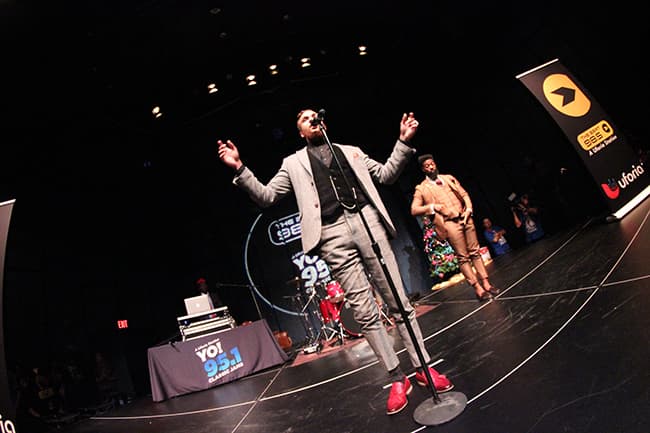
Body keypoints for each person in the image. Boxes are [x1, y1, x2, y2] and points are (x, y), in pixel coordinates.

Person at [218, 109, 453, 415]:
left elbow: (386, 175)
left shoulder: (351, 151)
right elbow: (266, 195)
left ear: (324, 124)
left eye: (315, 116)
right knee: (365, 312)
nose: (312, 120)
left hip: (368, 221)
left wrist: (403, 142)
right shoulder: (293, 163)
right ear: (301, 132)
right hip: (330, 235)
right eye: (305, 119)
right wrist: (240, 167)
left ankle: (423, 366)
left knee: (398, 301)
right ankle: (397, 378)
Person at [410, 155, 500, 301]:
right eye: (427, 166)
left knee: (475, 252)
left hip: (465, 217)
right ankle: (478, 288)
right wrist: (433, 207)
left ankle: (487, 284)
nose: (431, 167)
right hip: (449, 223)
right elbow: (414, 209)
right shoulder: (422, 188)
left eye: (432, 164)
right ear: (423, 169)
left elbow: (464, 194)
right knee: (463, 257)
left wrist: (468, 210)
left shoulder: (448, 178)